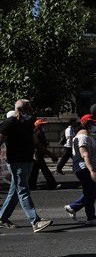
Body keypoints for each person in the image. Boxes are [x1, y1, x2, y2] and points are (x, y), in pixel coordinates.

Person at [0, 99, 52, 232]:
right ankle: (36, 221)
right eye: (28, 107)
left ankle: (2, 218)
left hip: (28, 160)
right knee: (23, 190)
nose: (31, 109)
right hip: (16, 161)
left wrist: (48, 153)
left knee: (15, 191)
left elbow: (33, 141)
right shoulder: (9, 122)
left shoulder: (28, 123)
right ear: (19, 109)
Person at [64, 114, 96, 226]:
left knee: (93, 192)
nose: (95, 125)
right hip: (85, 169)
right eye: (93, 123)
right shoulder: (83, 137)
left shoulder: (86, 136)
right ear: (87, 124)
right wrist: (91, 170)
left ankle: (73, 207)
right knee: (91, 192)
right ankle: (91, 217)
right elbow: (85, 154)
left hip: (88, 169)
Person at [29, 118, 60, 190]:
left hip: (38, 154)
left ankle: (31, 185)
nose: (45, 126)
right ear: (39, 126)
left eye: (45, 124)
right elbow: (39, 145)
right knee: (45, 169)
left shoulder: (39, 132)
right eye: (43, 125)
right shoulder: (39, 133)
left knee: (35, 170)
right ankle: (52, 184)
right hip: (38, 154)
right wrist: (51, 155)